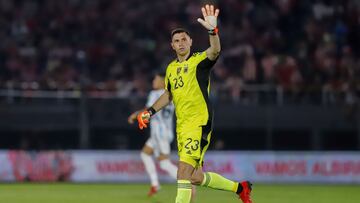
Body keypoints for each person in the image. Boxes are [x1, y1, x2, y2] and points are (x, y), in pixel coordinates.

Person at [136, 4, 253, 203]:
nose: (180, 43)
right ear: (172, 45)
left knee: (182, 171)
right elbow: (168, 95)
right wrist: (149, 112)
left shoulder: (199, 61)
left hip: (198, 123)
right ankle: (240, 188)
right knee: (195, 177)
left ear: (190, 41)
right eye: (176, 41)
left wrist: (212, 31)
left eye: (184, 39)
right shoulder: (171, 69)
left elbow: (215, 50)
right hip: (182, 126)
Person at [128, 72, 178, 197]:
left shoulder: (155, 94)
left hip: (159, 133)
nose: (153, 82)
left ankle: (186, 182)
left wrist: (135, 115)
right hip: (165, 132)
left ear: (162, 81)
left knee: (164, 163)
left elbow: (148, 110)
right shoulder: (171, 94)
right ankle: (155, 184)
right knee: (145, 154)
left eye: (155, 80)